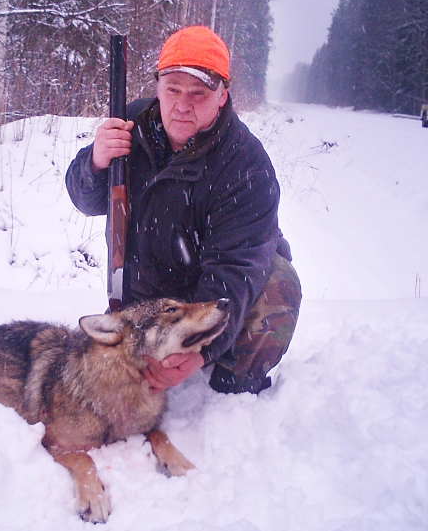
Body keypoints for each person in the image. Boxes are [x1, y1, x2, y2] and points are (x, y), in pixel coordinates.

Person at [66, 25, 301, 395]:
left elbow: (235, 268)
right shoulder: (131, 125)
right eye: (172, 89)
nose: (182, 104)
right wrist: (95, 163)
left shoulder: (246, 166)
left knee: (279, 282)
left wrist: (200, 349)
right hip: (148, 297)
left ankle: (234, 379)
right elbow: (86, 200)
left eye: (199, 93)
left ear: (223, 95)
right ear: (157, 86)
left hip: (208, 292)